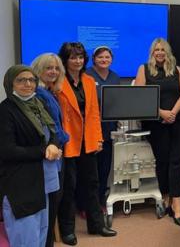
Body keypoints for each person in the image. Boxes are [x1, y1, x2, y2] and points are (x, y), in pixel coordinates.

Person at [57, 42, 117, 246]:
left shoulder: (89, 81)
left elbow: (93, 113)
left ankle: (96, 225)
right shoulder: (58, 82)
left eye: (81, 57)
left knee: (93, 183)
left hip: (89, 140)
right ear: (65, 59)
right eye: (73, 57)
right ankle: (67, 230)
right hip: (68, 141)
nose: (78, 61)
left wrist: (98, 138)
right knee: (69, 186)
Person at [0, 65, 62, 247]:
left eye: (31, 80)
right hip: (21, 184)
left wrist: (53, 145)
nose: (27, 84)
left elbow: (55, 133)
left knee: (42, 233)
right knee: (26, 238)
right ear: (10, 83)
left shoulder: (39, 104)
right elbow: (8, 151)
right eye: (21, 80)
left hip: (44, 179)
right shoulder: (5, 111)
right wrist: (44, 151)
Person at [134, 38, 180, 226]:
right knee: (162, 162)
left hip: (178, 121)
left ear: (168, 52)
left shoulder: (177, 69)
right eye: (156, 49)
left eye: (163, 49)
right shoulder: (144, 69)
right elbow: (139, 96)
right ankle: (165, 197)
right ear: (152, 52)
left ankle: (177, 203)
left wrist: (173, 112)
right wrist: (162, 113)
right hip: (156, 122)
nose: (160, 52)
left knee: (177, 161)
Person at [31, 53, 70, 247]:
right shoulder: (39, 94)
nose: (53, 72)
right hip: (49, 157)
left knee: (53, 204)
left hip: (55, 154)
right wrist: (65, 138)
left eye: (56, 68)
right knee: (50, 206)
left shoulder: (49, 92)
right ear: (39, 69)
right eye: (48, 68)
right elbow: (51, 128)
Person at [86, 46, 121, 208]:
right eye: (100, 57)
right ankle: (87, 204)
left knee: (104, 167)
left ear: (111, 59)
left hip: (108, 128)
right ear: (94, 59)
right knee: (90, 170)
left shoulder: (115, 77)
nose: (104, 60)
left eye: (107, 57)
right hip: (91, 129)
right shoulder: (86, 75)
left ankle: (100, 201)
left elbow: (116, 102)